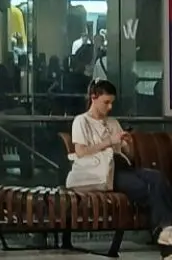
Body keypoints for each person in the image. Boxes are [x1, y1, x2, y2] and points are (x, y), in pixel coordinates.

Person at [69, 79, 172, 257]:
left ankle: (166, 231)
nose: (109, 107)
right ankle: (165, 235)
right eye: (106, 102)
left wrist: (127, 146)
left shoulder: (113, 122)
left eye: (112, 103)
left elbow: (129, 158)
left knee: (159, 179)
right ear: (94, 97)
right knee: (146, 188)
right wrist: (109, 142)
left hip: (122, 165)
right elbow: (81, 152)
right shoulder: (81, 121)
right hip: (103, 171)